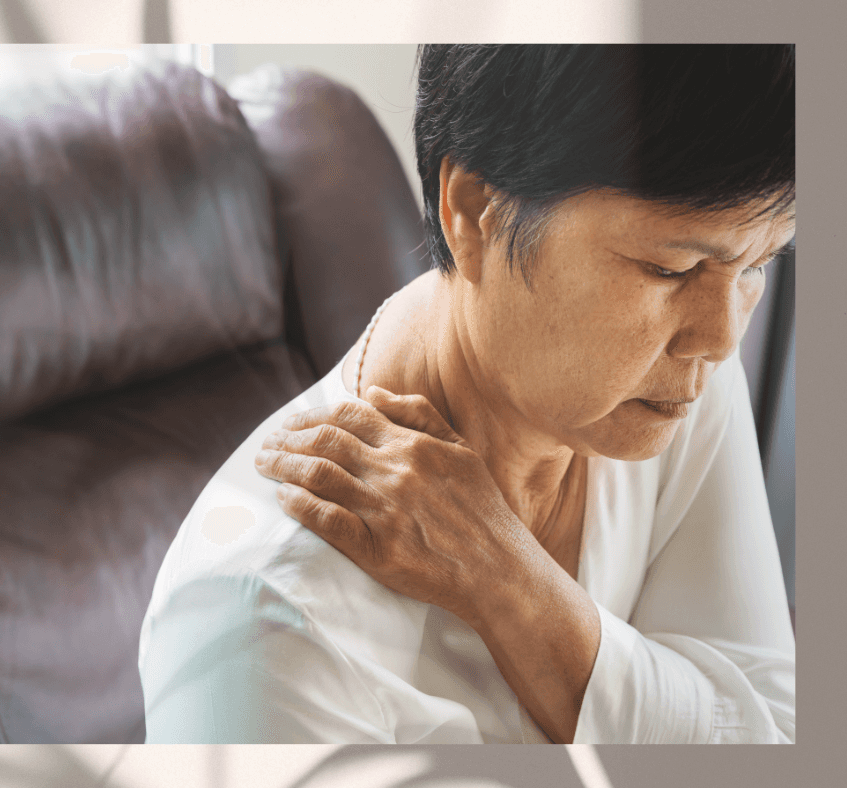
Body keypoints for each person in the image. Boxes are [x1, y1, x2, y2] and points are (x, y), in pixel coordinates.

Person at [139, 44, 795, 744]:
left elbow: (776, 728)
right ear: (474, 208)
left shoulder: (666, 384)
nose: (721, 339)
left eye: (760, 262)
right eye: (670, 268)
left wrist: (509, 581)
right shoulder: (262, 624)